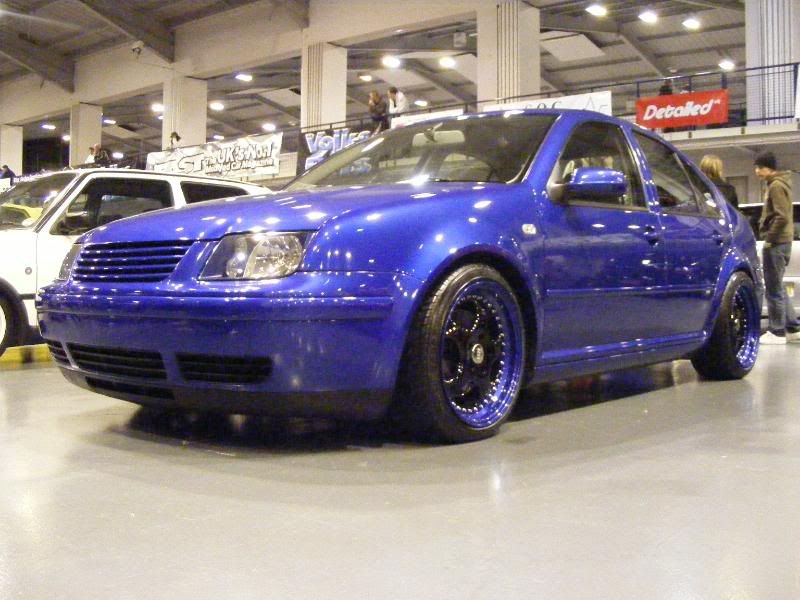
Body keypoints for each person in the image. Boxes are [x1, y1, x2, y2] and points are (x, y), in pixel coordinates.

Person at [753, 151, 800, 344]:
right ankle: (792, 327)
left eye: (759, 167)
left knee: (773, 289)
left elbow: (781, 216)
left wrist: (769, 239)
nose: (756, 171)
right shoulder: (780, 184)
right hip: (783, 241)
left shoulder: (775, 186)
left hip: (777, 243)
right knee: (778, 286)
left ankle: (777, 331)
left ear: (768, 168)